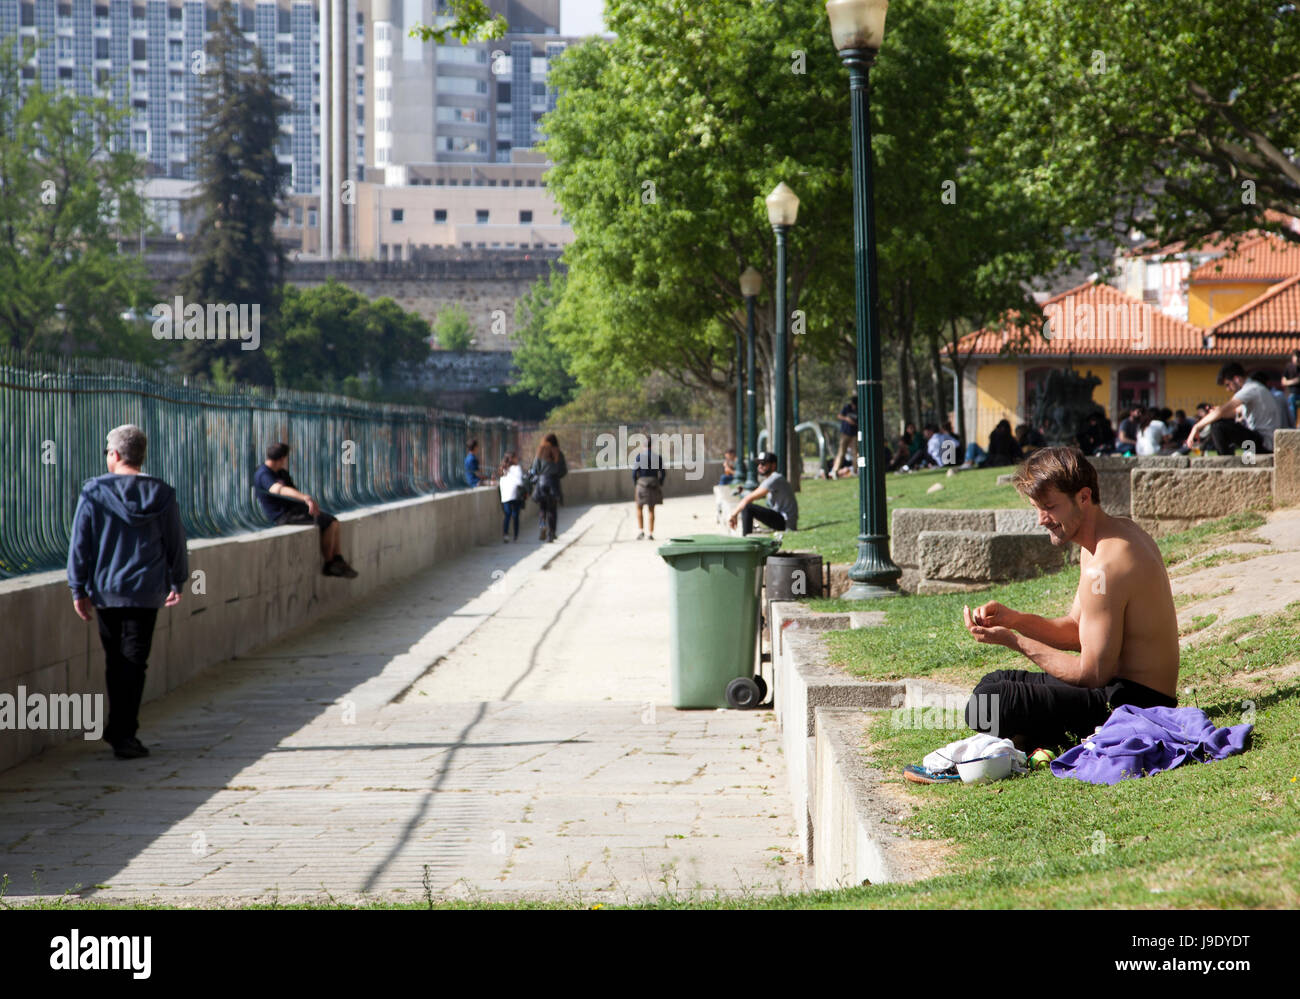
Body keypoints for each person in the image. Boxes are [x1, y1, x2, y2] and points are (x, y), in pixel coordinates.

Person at [962, 446, 1179, 751]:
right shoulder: (1107, 539)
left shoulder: (1106, 564)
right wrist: (1014, 619)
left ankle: (1039, 738)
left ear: (1083, 497)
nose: (1041, 519)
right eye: (1037, 507)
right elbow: (1077, 629)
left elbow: (1092, 674)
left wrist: (1015, 641)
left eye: (1049, 507)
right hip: (1117, 690)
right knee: (991, 684)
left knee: (988, 704)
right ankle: (1040, 736)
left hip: (1138, 707)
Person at [67, 425, 187, 760]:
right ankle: (124, 732)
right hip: (146, 590)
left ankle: (120, 729)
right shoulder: (162, 493)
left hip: (106, 590)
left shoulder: (94, 492)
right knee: (135, 661)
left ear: (115, 455)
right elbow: (175, 539)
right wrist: (178, 579)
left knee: (115, 660)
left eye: (108, 451)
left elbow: (81, 542)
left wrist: (77, 586)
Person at [253, 442, 358, 577]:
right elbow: (276, 489)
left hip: (295, 511)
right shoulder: (263, 474)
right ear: (282, 458)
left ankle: (337, 559)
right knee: (329, 523)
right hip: (283, 515)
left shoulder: (281, 473)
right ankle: (329, 563)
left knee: (334, 521)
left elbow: (291, 489)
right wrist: (305, 498)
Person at [1185, 361, 1286, 455]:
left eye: (1228, 385)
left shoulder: (1250, 389)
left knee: (1218, 425)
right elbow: (1233, 412)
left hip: (1264, 443)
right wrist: (1214, 412)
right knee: (1219, 421)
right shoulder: (1255, 388)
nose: (1228, 389)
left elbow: (1222, 411)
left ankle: (1225, 461)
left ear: (1237, 379)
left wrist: (1196, 427)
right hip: (1261, 441)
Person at [729, 451, 798, 535]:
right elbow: (754, 493)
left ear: (773, 465)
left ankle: (746, 538)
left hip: (786, 523)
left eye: (763, 463)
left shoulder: (775, 478)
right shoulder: (771, 479)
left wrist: (733, 515)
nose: (760, 466)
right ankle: (748, 536)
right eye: (759, 463)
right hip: (781, 519)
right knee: (748, 507)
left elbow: (749, 498)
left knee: (748, 507)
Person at [529, 433, 567, 542]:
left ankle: (542, 525)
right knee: (552, 510)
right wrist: (556, 475)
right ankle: (551, 533)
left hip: (541, 483)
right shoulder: (558, 453)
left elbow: (535, 469)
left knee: (543, 508)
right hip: (553, 483)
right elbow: (563, 470)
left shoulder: (540, 452)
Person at [632, 437, 666, 540]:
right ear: (652, 445)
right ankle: (651, 533)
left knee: (639, 507)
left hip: (641, 484)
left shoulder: (639, 456)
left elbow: (634, 473)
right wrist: (659, 482)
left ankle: (641, 531)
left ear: (644, 446)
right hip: (654, 484)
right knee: (651, 509)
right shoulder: (658, 457)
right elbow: (663, 473)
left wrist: (636, 484)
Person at [498, 452, 525, 542]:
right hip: (515, 495)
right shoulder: (517, 468)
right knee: (515, 515)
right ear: (513, 459)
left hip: (505, 496)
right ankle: (515, 536)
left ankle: (505, 534)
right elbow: (520, 482)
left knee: (507, 515)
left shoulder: (502, 469)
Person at [830, 398, 858, 477]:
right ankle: (835, 470)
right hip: (845, 433)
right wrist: (847, 419)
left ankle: (856, 471)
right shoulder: (847, 407)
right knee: (841, 452)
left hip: (854, 434)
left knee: (855, 453)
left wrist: (855, 423)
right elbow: (839, 416)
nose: (854, 407)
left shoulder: (859, 409)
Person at [1284, 349, 1300, 427]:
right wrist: (1295, 381)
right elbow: (1283, 381)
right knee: (1292, 414)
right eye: (1295, 357)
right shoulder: (1289, 367)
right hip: (1293, 394)